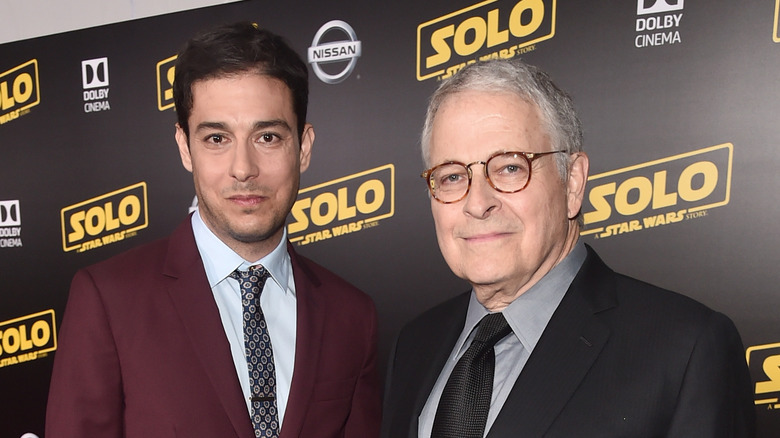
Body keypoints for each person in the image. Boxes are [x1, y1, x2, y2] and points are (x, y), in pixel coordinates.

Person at [381, 58, 754, 438]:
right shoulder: (414, 345)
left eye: (510, 167)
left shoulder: (685, 349)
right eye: (452, 176)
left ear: (572, 182)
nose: (477, 203)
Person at [46, 22, 380, 438]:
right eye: (218, 138)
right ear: (185, 147)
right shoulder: (108, 299)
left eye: (268, 136)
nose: (244, 168)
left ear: (304, 147)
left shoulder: (353, 316)